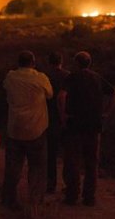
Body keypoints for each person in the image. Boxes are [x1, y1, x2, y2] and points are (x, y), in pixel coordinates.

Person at [58, 51, 115, 206]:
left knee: (73, 162)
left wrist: (63, 115)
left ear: (77, 63)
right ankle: (89, 197)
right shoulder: (97, 78)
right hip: (94, 126)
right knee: (91, 163)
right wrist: (106, 113)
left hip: (75, 125)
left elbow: (61, 96)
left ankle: (72, 195)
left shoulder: (72, 77)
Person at [1, 50, 53, 211]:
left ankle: (8, 199)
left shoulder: (10, 77)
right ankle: (35, 202)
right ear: (33, 62)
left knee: (13, 167)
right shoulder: (40, 78)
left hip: (15, 129)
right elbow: (50, 94)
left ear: (18, 62)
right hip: (36, 129)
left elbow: (4, 87)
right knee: (37, 167)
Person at [45, 52, 70, 193]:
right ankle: (68, 185)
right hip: (67, 118)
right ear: (61, 61)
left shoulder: (44, 77)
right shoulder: (68, 76)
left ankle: (51, 184)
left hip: (50, 119)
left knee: (51, 154)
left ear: (49, 62)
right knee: (68, 154)